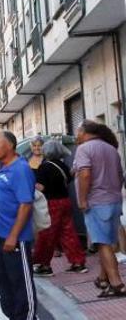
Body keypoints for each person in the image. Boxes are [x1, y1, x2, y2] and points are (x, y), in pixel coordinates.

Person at [0, 131, 37, 320]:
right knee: (4, 284)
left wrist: (13, 236)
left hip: (14, 240)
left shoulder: (20, 169)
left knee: (21, 285)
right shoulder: (2, 168)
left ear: (9, 145)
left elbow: (26, 204)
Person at [74, 120, 126, 297]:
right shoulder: (111, 149)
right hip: (114, 201)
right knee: (108, 242)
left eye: (77, 131)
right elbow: (120, 176)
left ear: (84, 132)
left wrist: (81, 199)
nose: (76, 134)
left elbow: (85, 174)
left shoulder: (84, 149)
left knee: (103, 244)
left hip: (96, 202)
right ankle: (103, 278)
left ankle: (117, 284)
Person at [32, 140, 86, 276]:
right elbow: (68, 179)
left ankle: (44, 265)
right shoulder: (63, 165)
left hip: (51, 203)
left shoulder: (44, 167)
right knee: (68, 233)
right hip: (65, 201)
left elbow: (40, 187)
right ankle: (78, 262)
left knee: (47, 234)